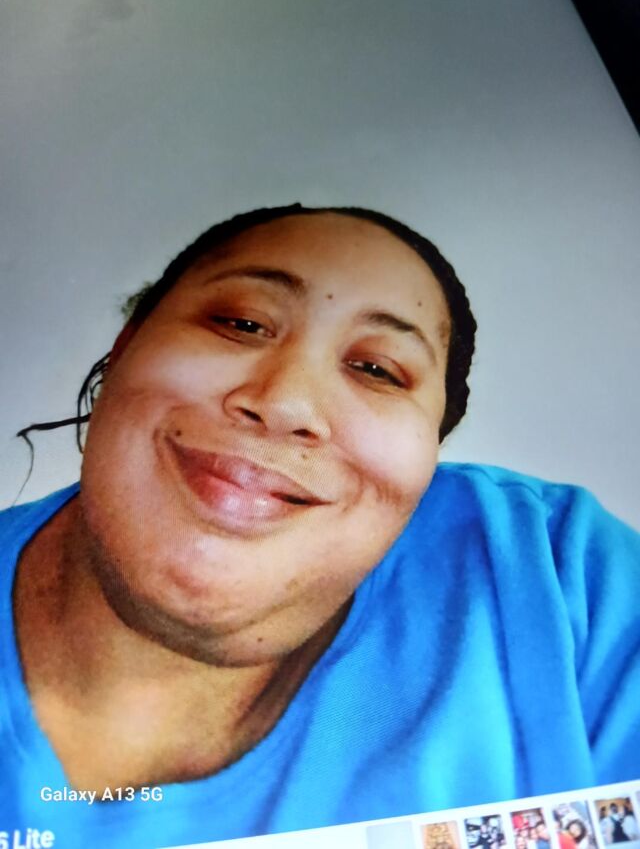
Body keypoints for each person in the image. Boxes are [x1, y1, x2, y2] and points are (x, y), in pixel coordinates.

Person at [1, 204, 639, 849]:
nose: (284, 404)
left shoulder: (561, 578)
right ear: (125, 347)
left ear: (433, 448)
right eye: (242, 323)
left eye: (378, 370)